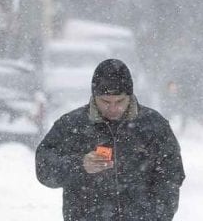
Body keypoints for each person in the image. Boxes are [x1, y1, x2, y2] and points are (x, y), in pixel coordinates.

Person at [36, 58, 185, 220]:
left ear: (130, 96)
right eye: (105, 101)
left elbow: (171, 175)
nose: (113, 108)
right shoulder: (73, 125)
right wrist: (80, 165)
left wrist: (157, 215)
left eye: (120, 101)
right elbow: (44, 168)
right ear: (94, 97)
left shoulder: (153, 125)